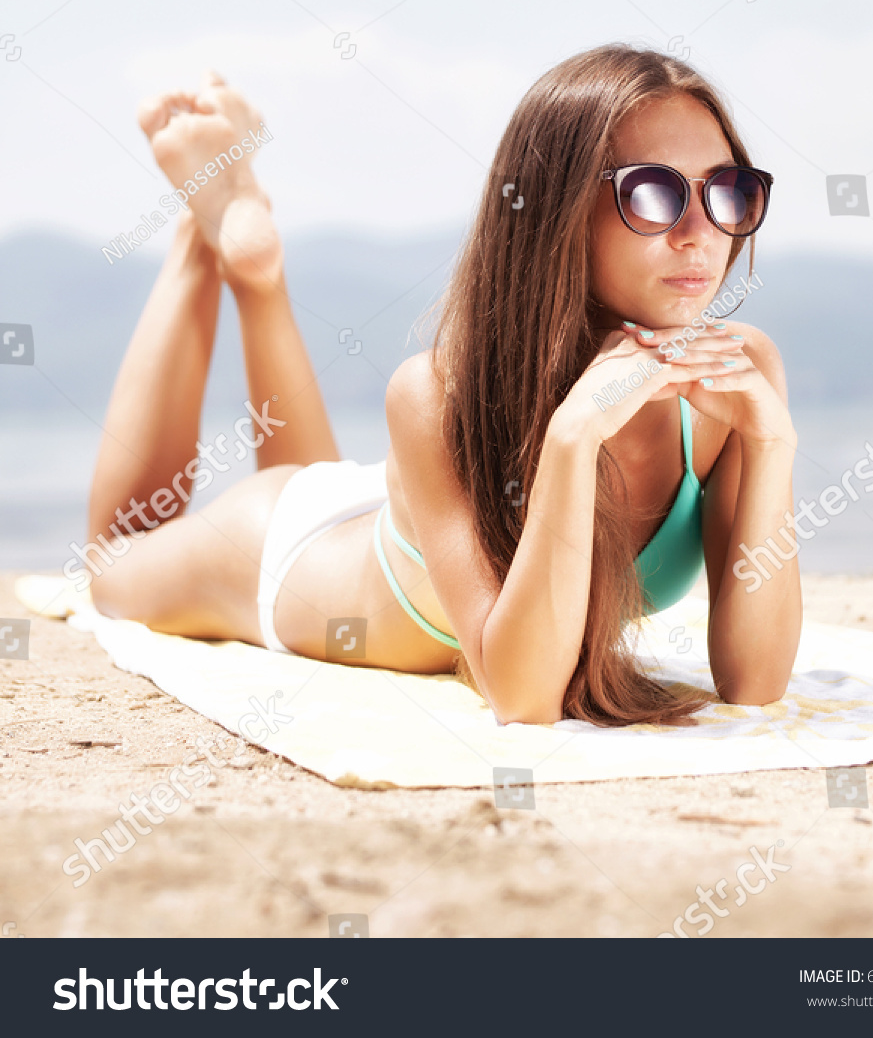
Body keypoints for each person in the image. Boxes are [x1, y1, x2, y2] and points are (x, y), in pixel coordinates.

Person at [86, 45, 800, 727]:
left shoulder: (738, 379)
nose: (701, 233)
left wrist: (771, 444)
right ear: (554, 209)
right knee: (108, 562)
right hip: (292, 556)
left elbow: (753, 682)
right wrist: (573, 434)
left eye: (727, 192)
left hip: (406, 513)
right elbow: (521, 698)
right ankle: (200, 231)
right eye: (653, 192)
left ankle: (250, 260)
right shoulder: (436, 393)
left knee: (319, 473)